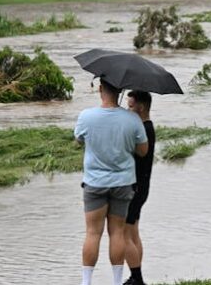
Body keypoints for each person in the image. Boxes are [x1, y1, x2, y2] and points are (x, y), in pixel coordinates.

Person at [75, 78, 149, 285]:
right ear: (120, 92)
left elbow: (78, 140)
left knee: (92, 232)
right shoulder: (131, 119)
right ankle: (116, 282)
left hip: (94, 183)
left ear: (100, 89)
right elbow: (143, 151)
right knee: (117, 232)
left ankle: (86, 282)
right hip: (123, 183)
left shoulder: (86, 116)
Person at [123, 91, 156, 285]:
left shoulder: (143, 130)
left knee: (124, 233)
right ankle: (136, 275)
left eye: (130, 106)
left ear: (141, 107)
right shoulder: (146, 127)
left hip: (135, 187)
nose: (128, 110)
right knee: (133, 232)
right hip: (141, 187)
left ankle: (137, 278)